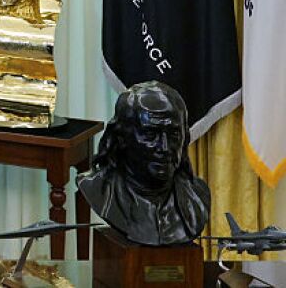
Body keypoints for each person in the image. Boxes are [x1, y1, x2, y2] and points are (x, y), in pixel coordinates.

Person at [76, 81, 210, 245]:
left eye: (174, 134)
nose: (164, 147)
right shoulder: (98, 189)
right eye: (150, 134)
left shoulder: (197, 196)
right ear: (121, 137)